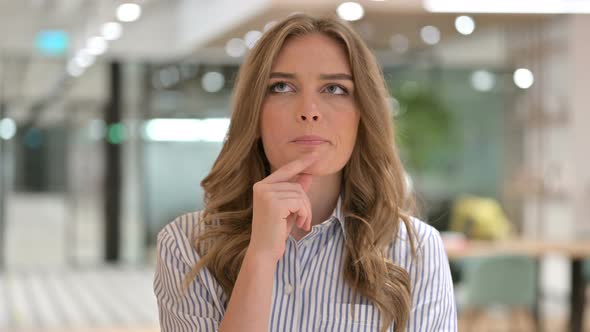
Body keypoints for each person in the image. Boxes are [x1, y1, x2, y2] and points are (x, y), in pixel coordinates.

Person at [154, 13, 456, 332]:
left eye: (335, 89)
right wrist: (260, 257)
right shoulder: (187, 244)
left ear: (362, 115)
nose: (309, 111)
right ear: (254, 114)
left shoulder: (415, 249)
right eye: (282, 87)